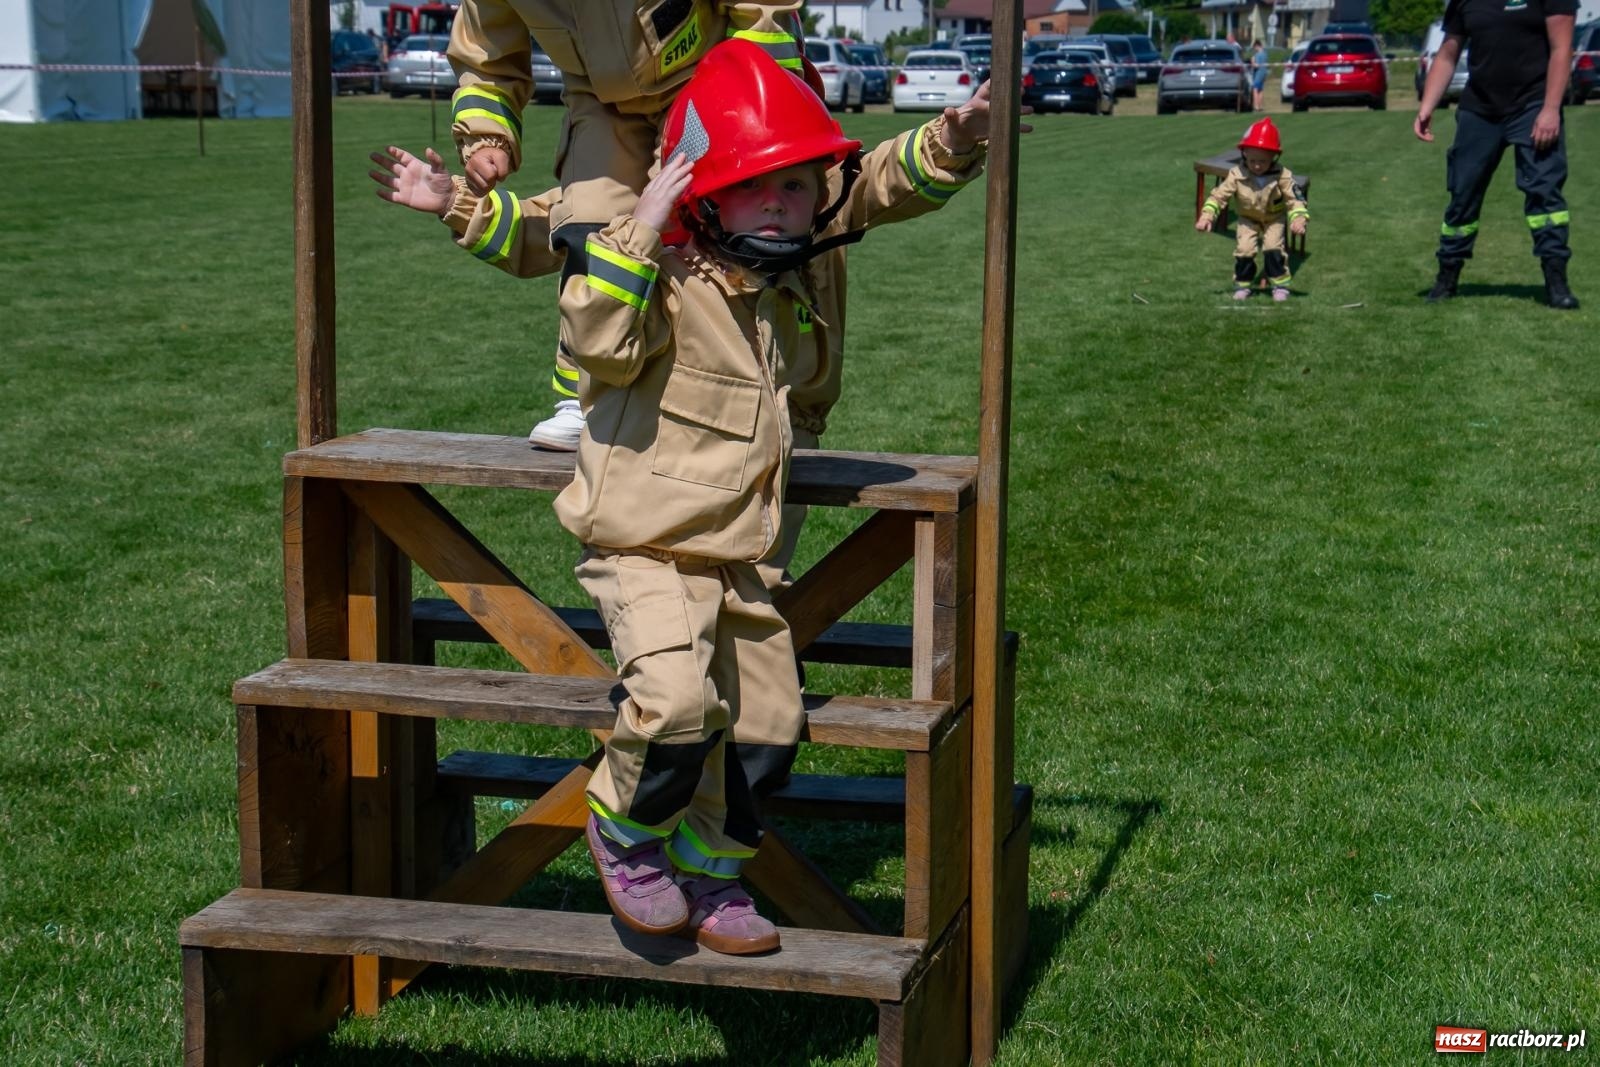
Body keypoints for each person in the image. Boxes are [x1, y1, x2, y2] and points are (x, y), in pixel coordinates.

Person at [552, 38, 992, 954]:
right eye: (756, 185)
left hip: (747, 559)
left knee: (770, 723)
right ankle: (626, 833)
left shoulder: (796, 266)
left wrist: (950, 141)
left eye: (796, 185)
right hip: (649, 549)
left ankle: (712, 872)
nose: (782, 203)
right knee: (674, 706)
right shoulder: (662, 279)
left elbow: (871, 183)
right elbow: (596, 342)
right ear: (701, 194)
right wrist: (642, 226)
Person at [448, 1, 807, 451]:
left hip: (706, 79)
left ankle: (710, 394)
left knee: (692, 224)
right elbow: (485, 55)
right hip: (598, 97)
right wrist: (487, 137)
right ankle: (585, 400)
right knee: (587, 226)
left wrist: (762, 94)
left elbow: (761, 9)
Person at [1414, 0, 1579, 308]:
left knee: (1544, 195)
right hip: (1480, 108)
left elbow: (1561, 49)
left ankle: (1557, 284)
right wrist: (1426, 106)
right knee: (1462, 193)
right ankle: (1447, 278)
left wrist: (1550, 109)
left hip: (1533, 105)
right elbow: (1448, 52)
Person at [1195, 117, 1309, 302]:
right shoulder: (1236, 174)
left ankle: (1279, 285)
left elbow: (1296, 198)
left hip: (1274, 218)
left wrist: (1299, 219)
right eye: (1253, 160)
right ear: (1244, 154)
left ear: (1274, 157)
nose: (1257, 165)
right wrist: (1207, 217)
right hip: (1248, 218)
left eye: (1263, 161)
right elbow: (1218, 196)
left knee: (1273, 247)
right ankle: (1243, 285)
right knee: (1244, 249)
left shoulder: (1283, 175)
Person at [1250, 40, 1268, 111]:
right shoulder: (1265, 54)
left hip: (1258, 74)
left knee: (1255, 89)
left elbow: (1256, 66)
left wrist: (1252, 61)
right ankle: (1260, 106)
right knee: (1260, 90)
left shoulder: (1257, 55)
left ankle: (1256, 106)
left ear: (1257, 46)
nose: (1254, 49)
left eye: (1254, 47)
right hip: (1264, 73)